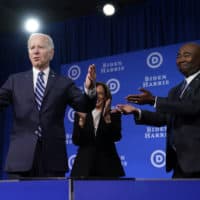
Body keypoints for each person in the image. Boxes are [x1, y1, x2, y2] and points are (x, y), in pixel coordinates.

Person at [0, 33, 96, 179]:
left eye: (40, 47)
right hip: (20, 157)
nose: (35, 51)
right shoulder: (15, 80)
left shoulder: (64, 83)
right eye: (32, 48)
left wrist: (90, 89)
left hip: (52, 158)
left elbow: (84, 106)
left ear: (51, 53)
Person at [116, 42, 200, 178]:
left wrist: (154, 100)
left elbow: (192, 107)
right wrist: (137, 111)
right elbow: (165, 118)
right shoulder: (175, 90)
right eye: (178, 56)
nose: (181, 59)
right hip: (180, 162)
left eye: (187, 55)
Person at [70, 82, 125, 177]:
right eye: (94, 93)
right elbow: (76, 141)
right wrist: (81, 123)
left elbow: (116, 137)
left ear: (105, 97)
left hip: (108, 166)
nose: (97, 96)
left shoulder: (113, 114)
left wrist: (107, 118)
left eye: (100, 93)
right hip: (84, 167)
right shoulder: (81, 114)